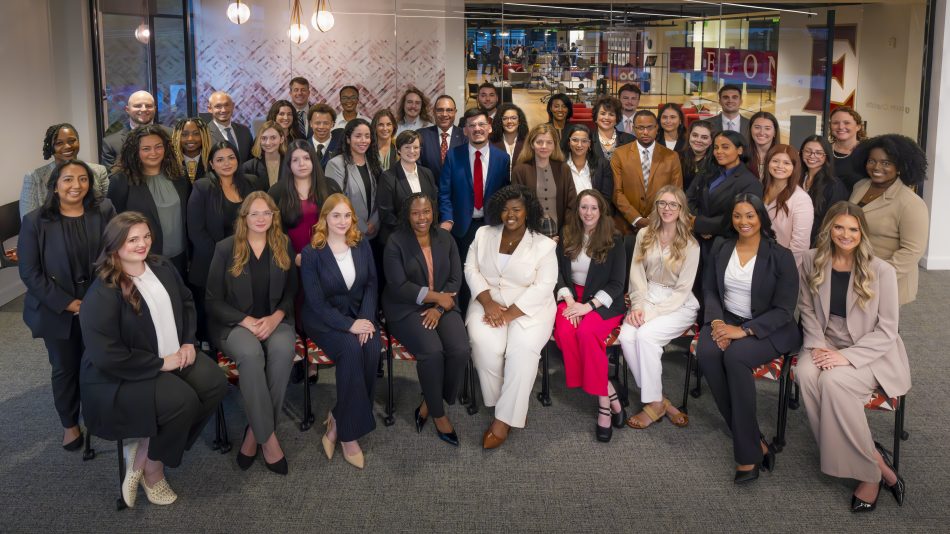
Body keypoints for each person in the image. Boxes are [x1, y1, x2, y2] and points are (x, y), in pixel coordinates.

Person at [79, 212, 227, 507]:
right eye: (132, 239)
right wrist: (161, 364)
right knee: (182, 402)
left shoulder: (161, 266)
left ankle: (146, 448)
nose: (142, 244)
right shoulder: (103, 291)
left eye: (145, 236)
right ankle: (153, 469)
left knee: (215, 383)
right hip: (125, 373)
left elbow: (186, 302)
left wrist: (187, 341)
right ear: (114, 244)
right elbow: (107, 355)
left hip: (175, 353)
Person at [796, 202, 910, 512]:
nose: (845, 235)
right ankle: (872, 455)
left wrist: (846, 358)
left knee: (833, 381)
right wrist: (819, 345)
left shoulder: (881, 270)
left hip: (870, 350)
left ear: (862, 233)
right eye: (839, 227)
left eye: (853, 229)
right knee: (804, 374)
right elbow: (806, 308)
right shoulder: (811, 260)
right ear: (829, 229)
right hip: (825, 340)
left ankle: (871, 475)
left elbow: (888, 330)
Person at [696, 193, 801, 484]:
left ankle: (747, 456)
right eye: (738, 216)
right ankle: (754, 438)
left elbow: (784, 309)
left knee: (735, 356)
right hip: (725, 318)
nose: (744, 222)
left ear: (760, 218)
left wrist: (743, 331)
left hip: (769, 326)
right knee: (706, 353)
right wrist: (717, 321)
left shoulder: (780, 255)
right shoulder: (721, 245)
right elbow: (710, 290)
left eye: (750, 216)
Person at [18, 160, 115, 450]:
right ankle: (70, 424)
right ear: (55, 185)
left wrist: (99, 300)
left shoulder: (104, 210)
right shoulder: (36, 221)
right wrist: (69, 304)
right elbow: (30, 273)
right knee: (65, 367)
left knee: (100, 363)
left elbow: (115, 254)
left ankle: (100, 415)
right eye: (68, 180)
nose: (76, 186)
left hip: (99, 303)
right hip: (55, 309)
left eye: (83, 179)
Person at [205, 192, 298, 475]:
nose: (261, 219)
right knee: (251, 355)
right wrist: (246, 320)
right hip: (235, 324)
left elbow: (292, 290)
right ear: (244, 217)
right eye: (254, 213)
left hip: (275, 319)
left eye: (266, 213)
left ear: (274, 217)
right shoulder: (225, 248)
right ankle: (268, 440)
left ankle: (252, 433)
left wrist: (277, 317)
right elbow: (212, 300)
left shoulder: (283, 243)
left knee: (283, 351)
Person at [464, 184, 558, 449]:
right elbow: (470, 269)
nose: (510, 215)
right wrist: (488, 302)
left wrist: (508, 316)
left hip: (530, 309)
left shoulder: (544, 245)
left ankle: (503, 420)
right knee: (485, 347)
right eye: (505, 210)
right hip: (488, 302)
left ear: (528, 211)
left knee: (522, 351)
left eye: (516, 209)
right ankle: (507, 403)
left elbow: (544, 286)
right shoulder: (484, 234)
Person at [300, 194, 381, 469]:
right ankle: (348, 435)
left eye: (347, 216)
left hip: (359, 314)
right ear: (324, 218)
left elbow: (371, 284)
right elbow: (315, 302)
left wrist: (366, 320)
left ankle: (338, 417)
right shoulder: (312, 252)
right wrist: (348, 326)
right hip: (323, 319)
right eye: (336, 216)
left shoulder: (361, 245)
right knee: (349, 349)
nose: (342, 222)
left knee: (371, 347)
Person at [382, 193, 469, 446]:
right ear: (407, 215)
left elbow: (455, 279)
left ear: (433, 213)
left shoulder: (445, 238)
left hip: (443, 305)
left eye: (426, 212)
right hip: (406, 307)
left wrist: (440, 307)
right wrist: (435, 297)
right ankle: (439, 414)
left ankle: (430, 401)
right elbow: (398, 285)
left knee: (460, 349)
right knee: (432, 352)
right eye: (416, 213)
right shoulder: (396, 242)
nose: (422, 218)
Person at [619, 185, 698, 430]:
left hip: (678, 304)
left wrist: (649, 313)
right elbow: (636, 275)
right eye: (662, 203)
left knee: (645, 335)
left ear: (681, 208)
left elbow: (682, 291)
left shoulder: (691, 245)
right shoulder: (645, 235)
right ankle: (659, 400)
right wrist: (639, 305)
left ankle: (653, 404)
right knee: (626, 335)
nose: (667, 208)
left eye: (673, 204)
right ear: (656, 207)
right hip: (646, 295)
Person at [552, 190, 626, 441]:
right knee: (564, 331)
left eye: (593, 208)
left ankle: (604, 406)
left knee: (586, 333)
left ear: (601, 210)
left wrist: (589, 306)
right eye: (584, 207)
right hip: (572, 296)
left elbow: (617, 284)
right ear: (577, 210)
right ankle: (610, 391)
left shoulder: (614, 237)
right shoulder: (567, 233)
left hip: (603, 301)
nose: (588, 212)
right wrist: (570, 299)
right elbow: (558, 273)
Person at [187, 141, 264, 343]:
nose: (226, 163)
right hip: (211, 263)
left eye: (231, 158)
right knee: (213, 319)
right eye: (220, 159)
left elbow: (262, 219)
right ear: (211, 164)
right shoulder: (202, 187)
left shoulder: (252, 182)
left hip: (249, 260)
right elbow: (196, 231)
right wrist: (224, 258)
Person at [438, 107, 511, 304]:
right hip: (461, 227)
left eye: (481, 124)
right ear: (465, 130)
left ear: (489, 127)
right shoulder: (453, 156)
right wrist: (447, 219)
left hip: (491, 226)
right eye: (471, 125)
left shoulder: (503, 159)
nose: (476, 128)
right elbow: (444, 192)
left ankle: (485, 314)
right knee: (462, 274)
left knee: (488, 273)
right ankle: (461, 318)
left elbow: (506, 195)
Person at [849, 134, 930, 306]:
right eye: (872, 161)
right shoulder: (860, 186)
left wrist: (877, 277)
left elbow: (912, 251)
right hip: (855, 270)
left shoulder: (911, 203)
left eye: (886, 163)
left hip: (886, 278)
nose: (877, 167)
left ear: (900, 167)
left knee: (882, 330)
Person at [107, 125, 190, 275]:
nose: (153, 153)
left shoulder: (179, 176)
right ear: (135, 152)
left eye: (158, 147)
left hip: (180, 257)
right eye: (146, 149)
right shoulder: (121, 181)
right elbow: (114, 226)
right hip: (142, 258)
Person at [687, 131, 764, 252]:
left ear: (740, 150)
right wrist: (694, 222)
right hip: (696, 241)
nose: (719, 152)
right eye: (716, 147)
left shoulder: (750, 182)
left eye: (725, 147)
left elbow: (743, 217)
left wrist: (702, 225)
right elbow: (689, 198)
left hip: (726, 245)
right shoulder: (708, 171)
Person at [611, 110, 683, 234]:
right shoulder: (619, 154)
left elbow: (676, 192)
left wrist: (653, 218)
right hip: (626, 225)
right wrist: (636, 219)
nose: (645, 132)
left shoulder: (671, 156)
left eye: (650, 127)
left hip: (661, 224)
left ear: (657, 128)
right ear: (633, 128)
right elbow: (616, 192)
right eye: (640, 128)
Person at [21, 123, 109, 219]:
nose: (67, 146)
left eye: (72, 141)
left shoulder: (99, 171)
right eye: (59, 143)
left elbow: (107, 210)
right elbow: (28, 221)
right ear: (51, 147)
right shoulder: (34, 177)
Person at [269, 140, 337, 260]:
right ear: (289, 164)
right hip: (291, 259)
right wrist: (292, 256)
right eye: (295, 160)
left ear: (313, 160)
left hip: (328, 256)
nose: (301, 164)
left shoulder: (330, 186)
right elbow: (273, 231)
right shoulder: (276, 192)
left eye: (306, 158)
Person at [512, 124, 577, 234]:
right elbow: (517, 205)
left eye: (549, 142)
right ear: (532, 144)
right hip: (530, 233)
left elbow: (572, 204)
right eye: (539, 142)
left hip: (560, 233)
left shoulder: (563, 168)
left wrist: (564, 233)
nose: (544, 146)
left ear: (554, 145)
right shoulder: (520, 171)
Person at [376, 130, 438, 244]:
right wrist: (413, 231)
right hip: (399, 239)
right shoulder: (388, 177)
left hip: (426, 237)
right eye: (407, 147)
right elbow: (386, 214)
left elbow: (434, 204)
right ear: (398, 150)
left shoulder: (427, 173)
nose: (412, 151)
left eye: (416, 147)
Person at [325, 119, 381, 238]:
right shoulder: (336, 165)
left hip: (374, 232)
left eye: (367, 136)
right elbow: (337, 202)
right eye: (358, 136)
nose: (363, 140)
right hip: (348, 232)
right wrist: (363, 227)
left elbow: (381, 196)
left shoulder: (374, 163)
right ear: (348, 139)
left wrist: (374, 222)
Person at [762, 144, 813, 263]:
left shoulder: (801, 199)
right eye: (775, 161)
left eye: (786, 163)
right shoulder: (760, 189)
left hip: (783, 265)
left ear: (794, 167)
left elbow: (800, 245)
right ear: (768, 163)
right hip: (759, 260)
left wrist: (779, 266)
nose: (780, 166)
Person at [101, 90, 171, 169]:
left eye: (148, 106)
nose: (144, 109)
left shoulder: (171, 135)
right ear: (127, 109)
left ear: (154, 109)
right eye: (137, 106)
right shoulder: (111, 143)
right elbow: (111, 178)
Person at [800, 135, 849, 247]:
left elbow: (832, 222)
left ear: (826, 156)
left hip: (818, 246)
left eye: (818, 153)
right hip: (797, 240)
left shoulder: (834, 186)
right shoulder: (797, 179)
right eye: (808, 151)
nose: (812, 156)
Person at [562, 124, 613, 201]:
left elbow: (606, 198)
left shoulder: (602, 165)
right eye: (575, 140)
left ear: (589, 143)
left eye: (584, 141)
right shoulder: (559, 165)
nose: (579, 145)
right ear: (569, 142)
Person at [419, 95, 466, 176]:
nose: (444, 114)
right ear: (433, 112)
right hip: (429, 187)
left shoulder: (465, 135)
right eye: (440, 110)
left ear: (455, 112)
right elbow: (417, 167)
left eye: (449, 110)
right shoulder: (421, 135)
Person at [206, 91, 253, 163]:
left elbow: (250, 161)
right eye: (218, 106)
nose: (223, 110)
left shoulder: (244, 131)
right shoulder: (204, 134)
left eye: (227, 105)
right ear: (209, 109)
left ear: (233, 106)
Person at [829, 106, 868, 191]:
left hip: (854, 203)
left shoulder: (868, 152)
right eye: (835, 123)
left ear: (858, 126)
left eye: (847, 123)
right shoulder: (823, 150)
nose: (841, 127)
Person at [590, 97, 635, 165]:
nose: (607, 118)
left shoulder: (630, 140)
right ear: (596, 117)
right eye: (603, 113)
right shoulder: (588, 139)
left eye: (611, 114)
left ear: (617, 119)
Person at [243, 121, 286, 187]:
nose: (268, 143)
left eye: (273, 138)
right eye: (264, 138)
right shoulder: (248, 167)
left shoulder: (291, 163)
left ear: (281, 139)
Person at [171, 117, 211, 183]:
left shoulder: (212, 161)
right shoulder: (170, 162)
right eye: (184, 134)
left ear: (204, 135)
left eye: (196, 134)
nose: (190, 138)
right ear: (177, 137)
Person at [680, 119, 715, 192]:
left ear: (711, 141)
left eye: (704, 137)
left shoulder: (716, 162)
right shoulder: (678, 157)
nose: (698, 140)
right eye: (695, 135)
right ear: (689, 136)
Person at [308, 103, 344, 169]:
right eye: (317, 123)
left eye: (326, 123)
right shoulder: (303, 147)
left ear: (332, 124)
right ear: (310, 123)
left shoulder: (342, 146)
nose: (321, 127)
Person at [747, 112, 779, 180]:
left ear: (775, 132)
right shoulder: (741, 156)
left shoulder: (783, 155)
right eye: (757, 127)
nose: (761, 132)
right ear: (750, 130)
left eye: (767, 128)